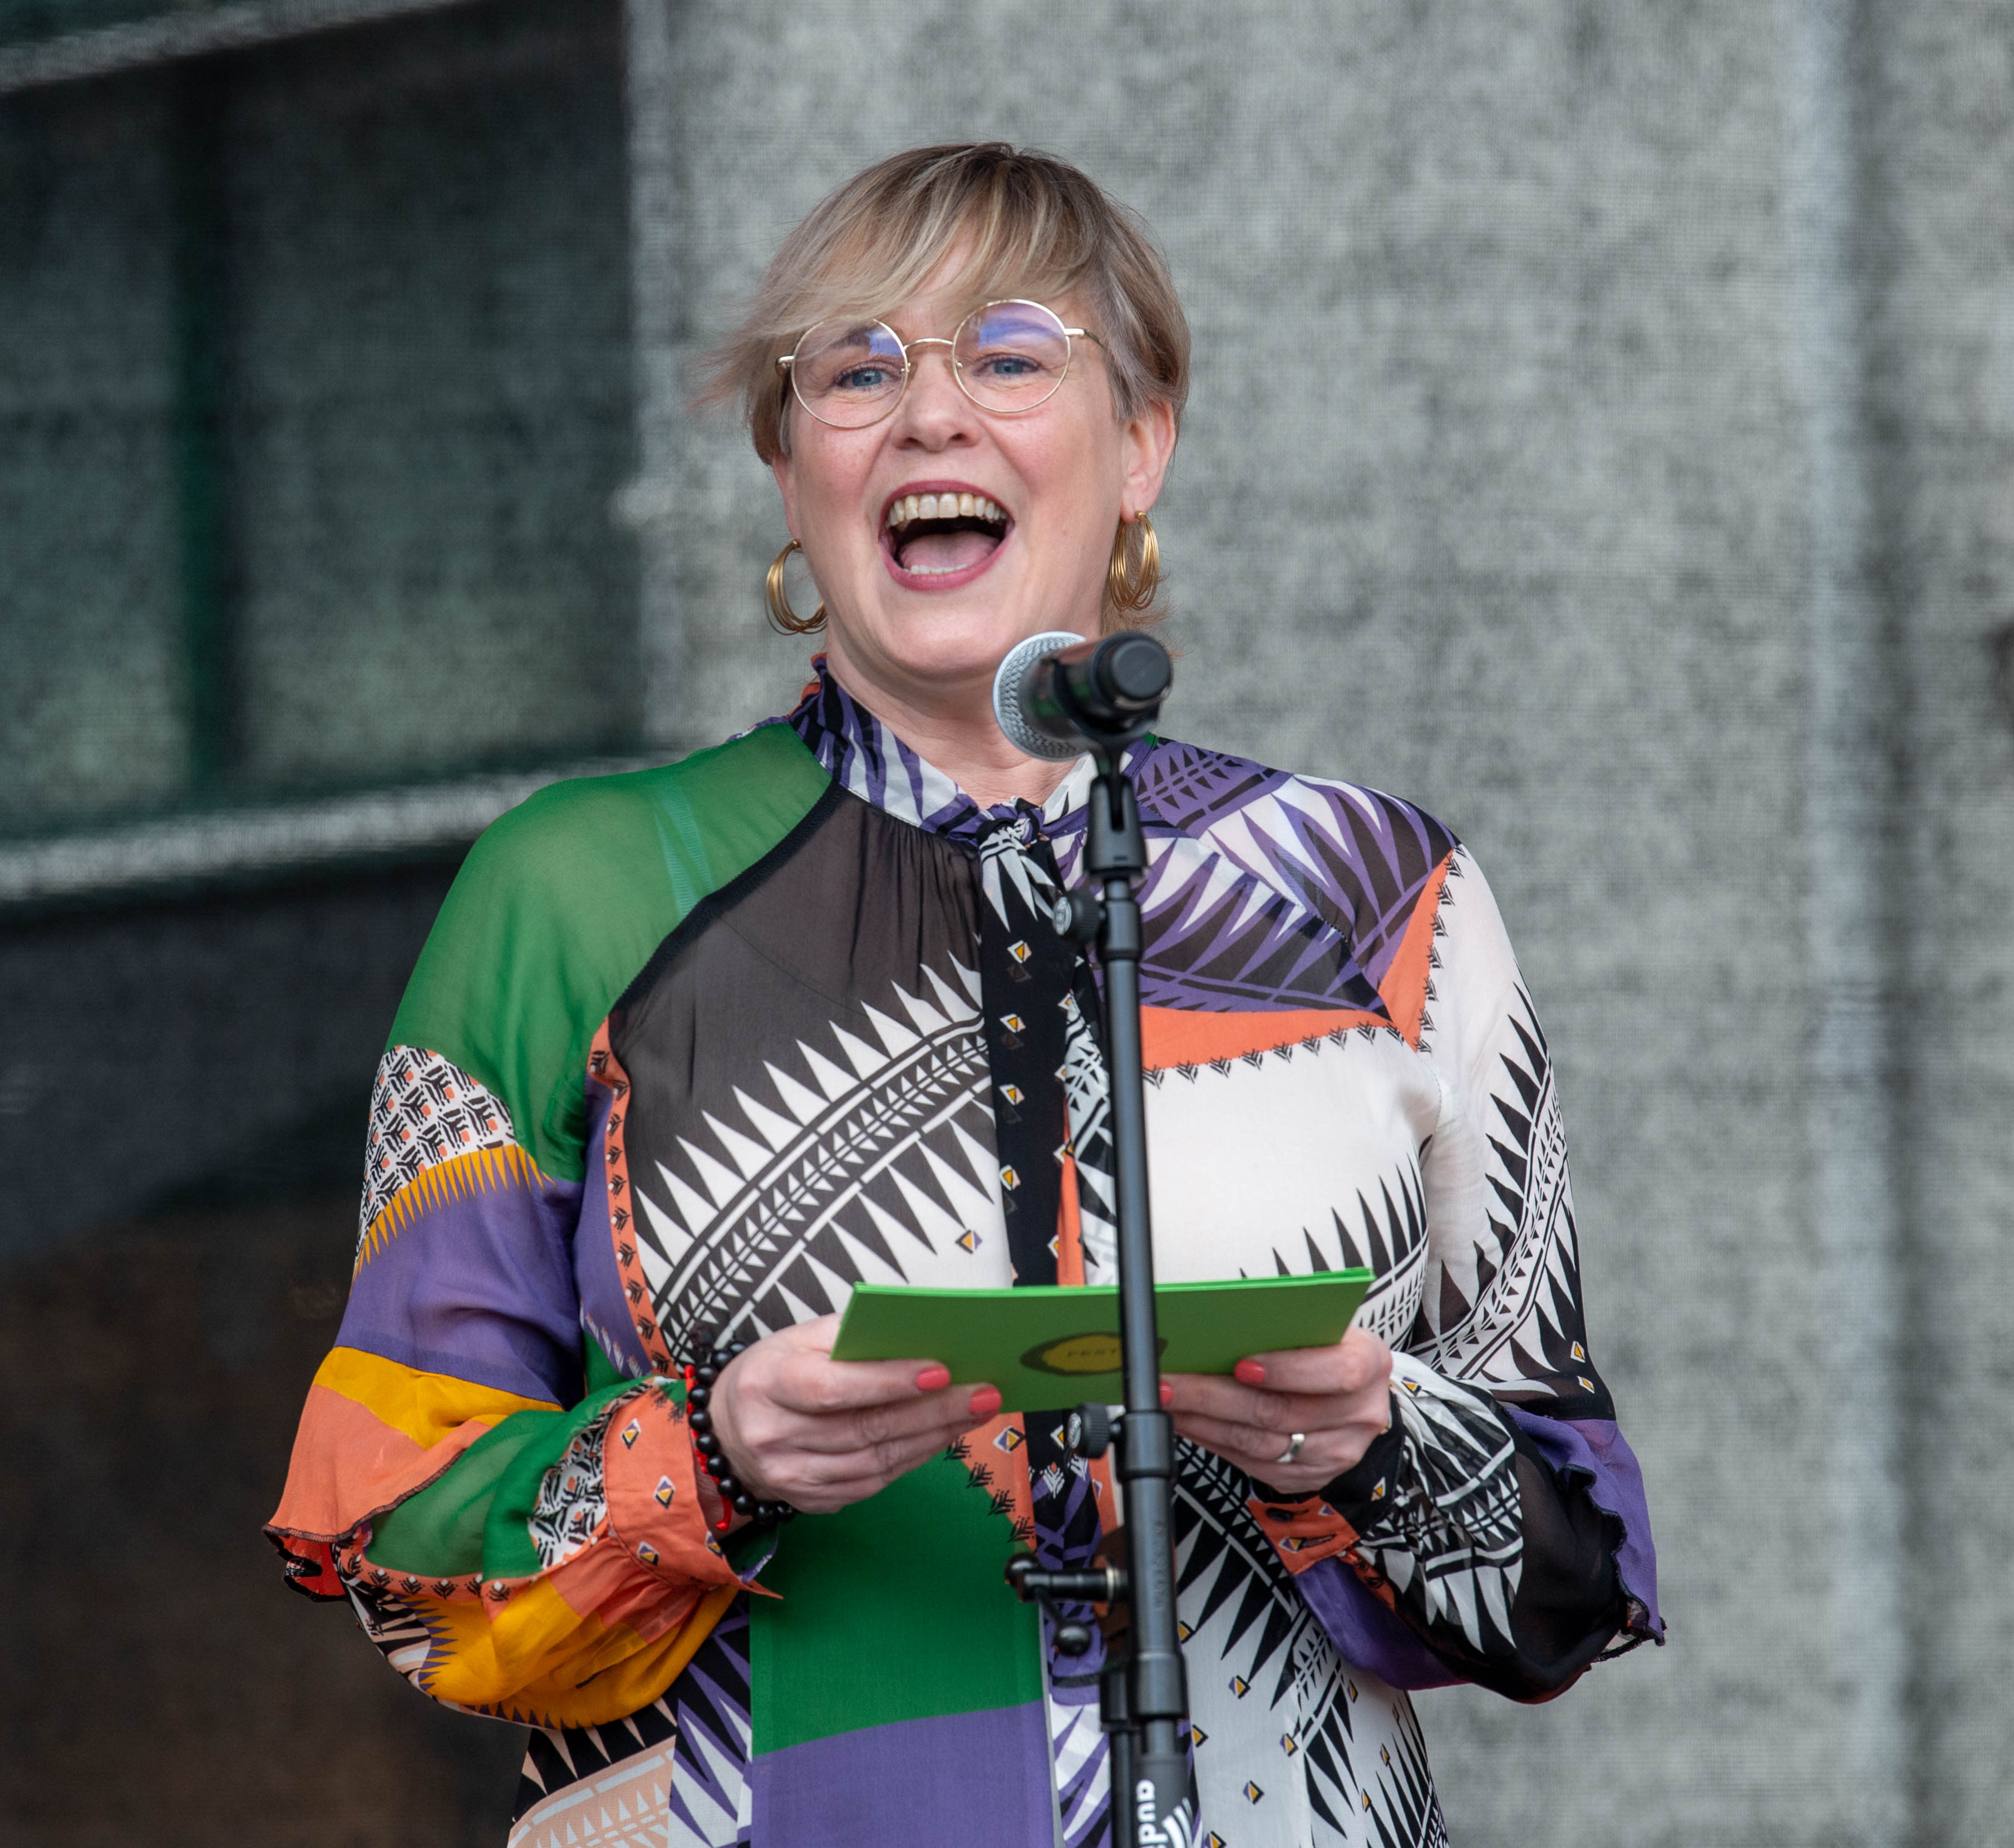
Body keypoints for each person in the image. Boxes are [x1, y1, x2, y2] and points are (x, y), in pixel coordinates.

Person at [269, 142, 1661, 1848]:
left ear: (1140, 445)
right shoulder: (573, 888)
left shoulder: (1374, 888)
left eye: (1009, 355)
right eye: (855, 371)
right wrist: (707, 1456)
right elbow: (392, 1550)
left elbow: (1568, 1582)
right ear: (789, 465)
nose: (929, 414)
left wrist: (1372, 1435)